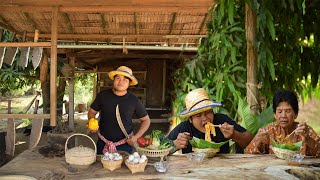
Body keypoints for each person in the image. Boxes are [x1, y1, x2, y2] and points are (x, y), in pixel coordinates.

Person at [168, 88, 253, 154]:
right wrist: (174, 145)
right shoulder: (184, 128)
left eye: (208, 112)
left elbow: (250, 140)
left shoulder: (222, 121)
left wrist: (235, 135)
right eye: (198, 115)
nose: (205, 118)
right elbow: (158, 149)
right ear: (190, 119)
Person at [88, 66, 151, 154]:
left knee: (123, 167)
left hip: (125, 144)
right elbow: (92, 112)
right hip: (103, 143)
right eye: (118, 78)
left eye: (125, 79)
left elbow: (146, 120)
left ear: (129, 83)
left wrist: (135, 137)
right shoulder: (102, 96)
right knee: (101, 167)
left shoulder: (134, 100)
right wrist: (92, 122)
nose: (121, 81)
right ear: (113, 80)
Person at [245, 90, 320, 157]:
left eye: (287, 111)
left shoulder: (304, 131)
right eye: (280, 112)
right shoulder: (270, 130)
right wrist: (257, 139)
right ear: (275, 115)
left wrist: (307, 139)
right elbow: (247, 154)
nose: (283, 116)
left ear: (296, 114)